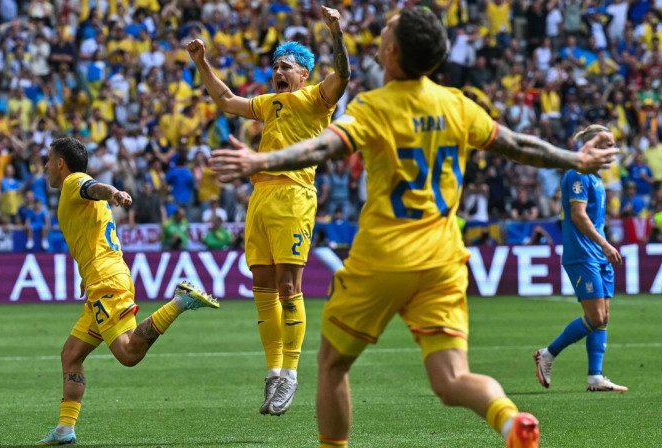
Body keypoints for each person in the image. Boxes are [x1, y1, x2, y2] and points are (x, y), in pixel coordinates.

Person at [210, 7, 619, 448]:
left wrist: (261, 161)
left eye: (385, 32)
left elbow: (324, 146)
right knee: (452, 378)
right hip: (442, 261)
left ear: (390, 51)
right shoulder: (458, 105)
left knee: (331, 365)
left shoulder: (373, 107)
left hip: (382, 257)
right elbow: (517, 145)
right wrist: (575, 159)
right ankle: (508, 420)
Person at [187, 5, 350, 415]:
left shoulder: (316, 99)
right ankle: (274, 373)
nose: (278, 71)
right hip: (260, 198)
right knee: (262, 290)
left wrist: (336, 33)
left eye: (287, 66)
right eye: (275, 65)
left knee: (289, 288)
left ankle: (291, 375)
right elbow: (225, 100)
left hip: (294, 196)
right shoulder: (267, 104)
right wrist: (202, 62)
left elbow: (343, 76)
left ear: (304, 75)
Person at [35, 137, 219, 446]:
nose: (44, 168)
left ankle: (180, 300)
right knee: (71, 354)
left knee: (128, 353)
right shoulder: (77, 195)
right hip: (102, 279)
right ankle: (65, 430)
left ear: (60, 164)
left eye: (47, 161)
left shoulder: (73, 182)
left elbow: (94, 187)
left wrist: (114, 192)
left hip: (106, 281)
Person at [534, 125, 628, 393]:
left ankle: (595, 377)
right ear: (591, 146)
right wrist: (606, 244)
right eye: (606, 144)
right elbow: (578, 215)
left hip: (597, 254)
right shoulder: (577, 175)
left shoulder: (596, 177)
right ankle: (547, 354)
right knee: (595, 316)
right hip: (583, 254)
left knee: (604, 315)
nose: (611, 150)